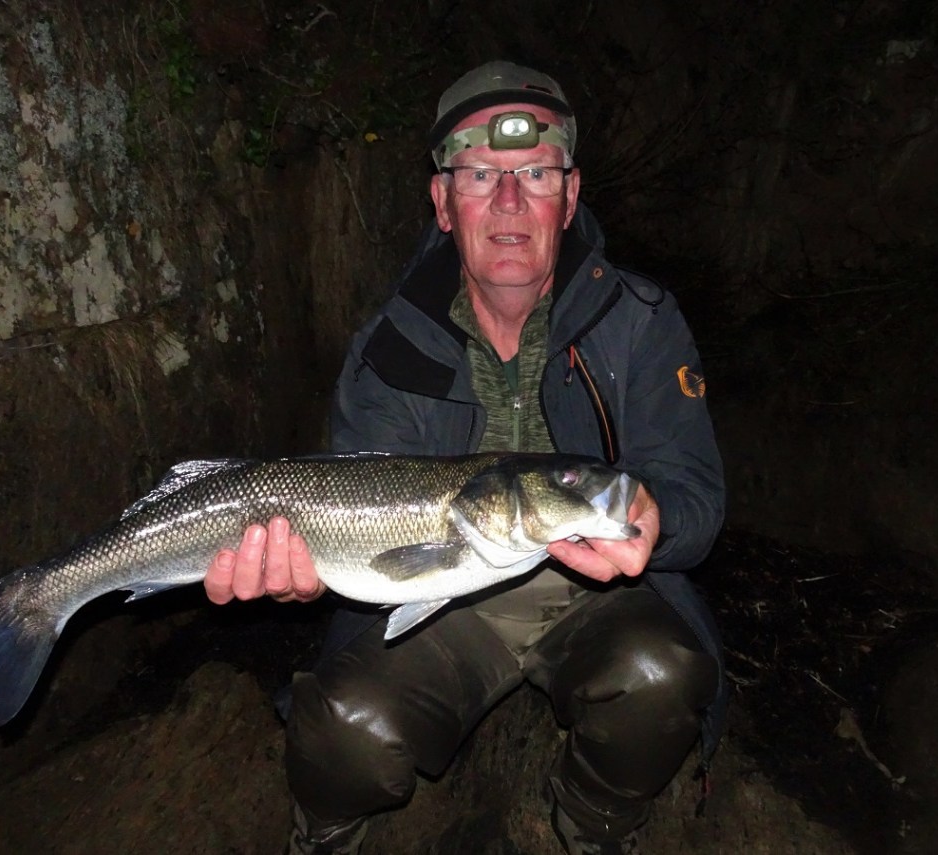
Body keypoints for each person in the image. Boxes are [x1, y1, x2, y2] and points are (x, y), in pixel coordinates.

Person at [204, 61, 727, 855]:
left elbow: (694, 493)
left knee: (662, 675)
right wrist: (297, 575)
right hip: (445, 603)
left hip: (600, 600)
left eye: (535, 173)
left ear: (571, 194)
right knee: (347, 729)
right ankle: (323, 833)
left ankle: (591, 821)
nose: (510, 200)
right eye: (481, 174)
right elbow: (355, 527)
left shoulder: (643, 324)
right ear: (444, 203)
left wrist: (658, 513)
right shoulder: (389, 347)